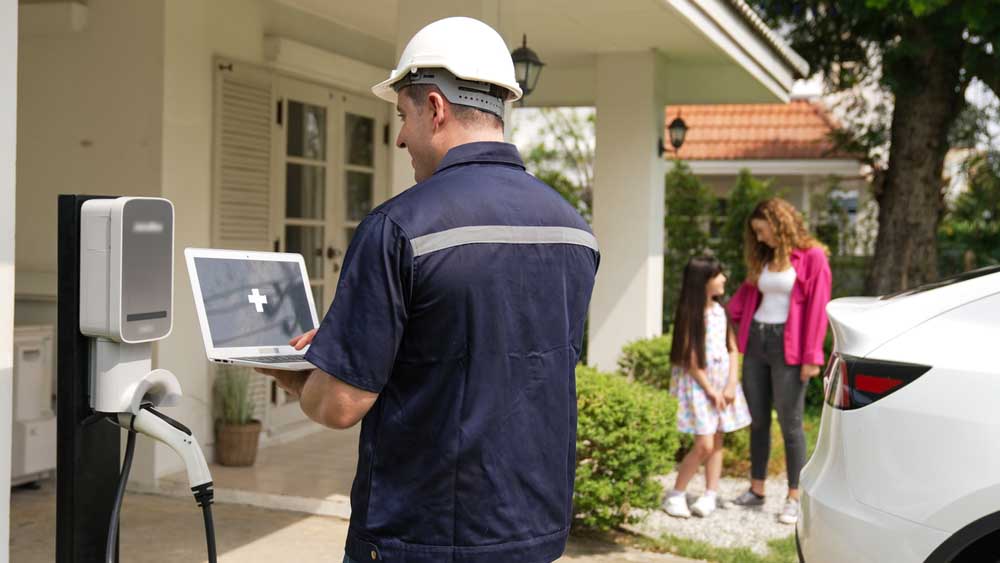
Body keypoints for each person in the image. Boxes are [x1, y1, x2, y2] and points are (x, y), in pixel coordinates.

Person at [256, 16, 600, 563]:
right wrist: (364, 344)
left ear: (435, 107)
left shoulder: (399, 227)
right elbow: (503, 353)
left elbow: (343, 403)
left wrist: (308, 380)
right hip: (535, 532)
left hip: (423, 537)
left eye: (402, 116)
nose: (398, 138)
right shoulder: (573, 229)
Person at [726, 197, 831, 525]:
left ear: (778, 222)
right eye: (755, 232)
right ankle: (756, 490)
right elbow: (742, 302)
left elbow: (817, 309)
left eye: (761, 230)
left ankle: (794, 496)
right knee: (758, 419)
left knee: (791, 423)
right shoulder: (766, 258)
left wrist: (812, 356)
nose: (758, 237)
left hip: (790, 348)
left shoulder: (813, 257)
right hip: (757, 341)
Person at [662, 256, 751, 519]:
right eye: (718, 275)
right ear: (703, 281)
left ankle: (710, 493)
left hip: (722, 385)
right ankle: (676, 493)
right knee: (704, 443)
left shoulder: (720, 311)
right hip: (700, 386)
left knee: (718, 438)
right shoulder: (691, 315)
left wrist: (731, 383)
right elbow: (690, 361)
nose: (724, 279)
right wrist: (711, 391)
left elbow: (732, 348)